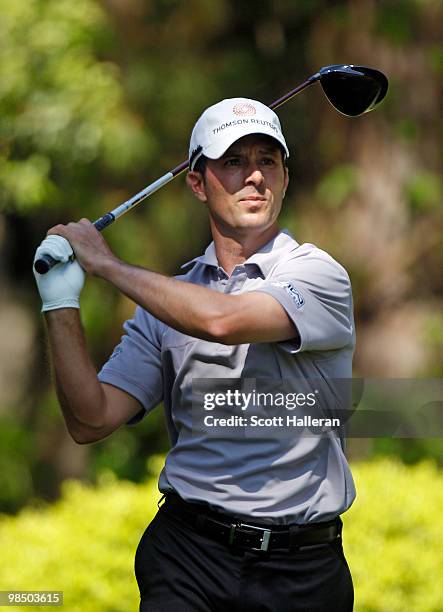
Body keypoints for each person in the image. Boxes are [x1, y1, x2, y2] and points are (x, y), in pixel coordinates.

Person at [34, 97, 356, 612]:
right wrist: (60, 301)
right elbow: (91, 418)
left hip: (301, 571)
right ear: (197, 182)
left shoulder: (318, 275)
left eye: (268, 161)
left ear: (285, 178)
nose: (254, 177)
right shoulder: (171, 299)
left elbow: (223, 321)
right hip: (187, 556)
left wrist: (106, 265)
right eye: (234, 161)